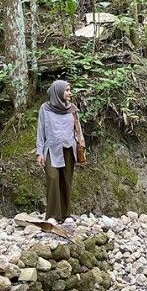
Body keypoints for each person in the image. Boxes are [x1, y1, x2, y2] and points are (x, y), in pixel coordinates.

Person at [36, 79, 85, 221]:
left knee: (66, 181)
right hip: (51, 149)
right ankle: (52, 215)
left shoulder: (72, 109)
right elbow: (41, 131)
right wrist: (39, 152)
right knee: (53, 178)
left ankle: (65, 214)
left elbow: (78, 129)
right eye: (67, 90)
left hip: (69, 149)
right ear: (58, 92)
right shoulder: (45, 109)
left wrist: (81, 145)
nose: (70, 93)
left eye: (70, 90)